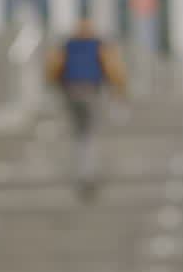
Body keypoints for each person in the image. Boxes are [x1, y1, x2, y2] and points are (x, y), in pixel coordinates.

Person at [46, 18, 125, 197]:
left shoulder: (67, 46)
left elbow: (53, 67)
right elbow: (113, 68)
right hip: (91, 91)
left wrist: (56, 86)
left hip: (71, 91)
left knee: (79, 132)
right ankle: (87, 173)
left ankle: (82, 169)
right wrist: (119, 90)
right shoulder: (98, 45)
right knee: (89, 132)